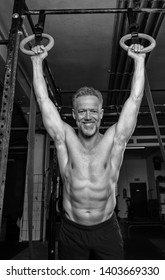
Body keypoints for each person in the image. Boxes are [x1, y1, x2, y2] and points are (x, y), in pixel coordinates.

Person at [31, 43, 145, 259]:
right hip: (71, 230)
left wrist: (139, 61)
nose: (87, 116)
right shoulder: (65, 138)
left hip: (106, 230)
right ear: (74, 115)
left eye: (93, 111)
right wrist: (37, 62)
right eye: (81, 111)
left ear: (101, 114)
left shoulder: (115, 140)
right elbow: (43, 100)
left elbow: (135, 100)